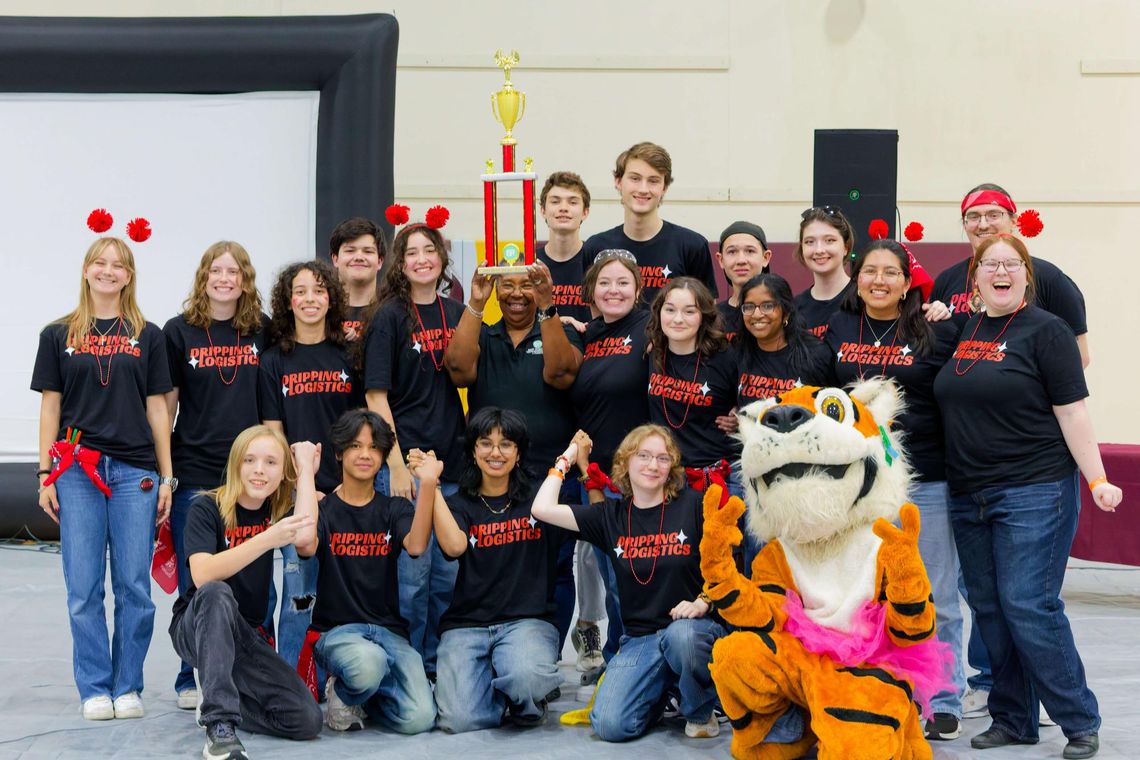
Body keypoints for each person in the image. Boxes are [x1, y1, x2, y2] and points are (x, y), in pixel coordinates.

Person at [933, 235, 1122, 760]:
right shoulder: (963, 328)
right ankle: (1013, 719)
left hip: (1035, 489)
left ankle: (1079, 719)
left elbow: (1073, 411)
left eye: (1011, 264)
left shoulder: (1048, 330)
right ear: (975, 276)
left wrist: (1098, 478)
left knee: (1028, 605)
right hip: (970, 494)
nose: (1000, 271)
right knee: (990, 609)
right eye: (990, 264)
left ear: (1025, 274)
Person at [824, 239, 965, 740]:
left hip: (925, 479)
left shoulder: (936, 328)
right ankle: (884, 682)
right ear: (855, 277)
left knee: (937, 593)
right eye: (869, 271)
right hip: (860, 488)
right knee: (867, 593)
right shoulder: (839, 328)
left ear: (908, 283)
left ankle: (944, 696)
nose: (879, 280)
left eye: (891, 273)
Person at [32, 236, 173, 721]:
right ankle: (94, 685)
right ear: (87, 270)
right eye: (100, 262)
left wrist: (167, 477)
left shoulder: (148, 335)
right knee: (83, 586)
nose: (109, 271)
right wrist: (45, 473)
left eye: (119, 265)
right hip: (75, 470)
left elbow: (158, 408)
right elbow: (51, 406)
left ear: (129, 275)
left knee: (134, 584)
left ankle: (127, 685)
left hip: (135, 470)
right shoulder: (58, 334)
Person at [532, 426, 725, 741]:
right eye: (644, 456)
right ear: (625, 462)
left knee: (683, 640)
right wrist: (568, 457)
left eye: (663, 458)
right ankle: (662, 693)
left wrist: (703, 601)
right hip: (641, 640)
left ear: (672, 466)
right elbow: (541, 509)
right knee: (610, 725)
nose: (653, 466)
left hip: (692, 630)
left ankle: (701, 711)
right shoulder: (610, 516)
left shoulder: (694, 504)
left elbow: (727, 565)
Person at [444, 263, 583, 648]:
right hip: (493, 478)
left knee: (554, 569)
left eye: (527, 284)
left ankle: (546, 659)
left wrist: (548, 305)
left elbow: (560, 374)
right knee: (492, 565)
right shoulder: (483, 336)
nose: (517, 293)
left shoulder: (561, 328)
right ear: (495, 290)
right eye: (507, 285)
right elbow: (457, 371)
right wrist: (474, 302)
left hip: (552, 476)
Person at [170, 427, 323, 759]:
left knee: (307, 719)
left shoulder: (276, 508)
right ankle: (219, 726)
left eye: (271, 462)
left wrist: (307, 471)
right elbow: (203, 573)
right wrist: (268, 538)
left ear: (283, 471)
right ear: (236, 464)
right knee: (216, 592)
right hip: (197, 626)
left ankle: (217, 694)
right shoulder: (206, 507)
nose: (259, 470)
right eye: (250, 460)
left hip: (245, 634)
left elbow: (307, 540)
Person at [163, 240, 268, 709]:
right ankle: (191, 675)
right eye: (216, 271)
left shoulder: (261, 332)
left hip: (250, 476)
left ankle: (242, 664)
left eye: (234, 271)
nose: (225, 279)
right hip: (196, 472)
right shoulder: (178, 332)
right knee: (197, 578)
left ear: (245, 280)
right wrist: (165, 474)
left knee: (249, 574)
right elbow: (165, 409)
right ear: (203, 278)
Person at [364, 219, 466, 680]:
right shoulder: (388, 316)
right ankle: (408, 668)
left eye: (430, 250)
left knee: (447, 574)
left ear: (443, 259)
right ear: (400, 265)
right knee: (411, 576)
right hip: (406, 463)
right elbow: (376, 397)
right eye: (412, 252)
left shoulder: (456, 310)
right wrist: (397, 464)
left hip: (453, 462)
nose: (422, 259)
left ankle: (436, 666)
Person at [294, 410, 438, 734]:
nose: (365, 455)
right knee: (368, 664)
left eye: (374, 448)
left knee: (420, 718)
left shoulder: (394, 508)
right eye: (356, 446)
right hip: (337, 632)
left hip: (388, 632)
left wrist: (427, 483)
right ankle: (344, 690)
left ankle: (365, 697)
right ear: (339, 452)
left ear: (384, 456)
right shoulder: (324, 510)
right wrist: (305, 472)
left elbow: (416, 545)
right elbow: (304, 546)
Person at [431, 408, 570, 733]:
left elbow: (594, 519)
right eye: (486, 443)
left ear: (519, 453)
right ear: (472, 451)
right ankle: (501, 688)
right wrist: (432, 486)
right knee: (459, 720)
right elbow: (453, 548)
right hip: (467, 626)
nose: (495, 452)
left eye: (506, 444)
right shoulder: (457, 503)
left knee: (527, 679)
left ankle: (523, 693)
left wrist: (574, 462)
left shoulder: (540, 499)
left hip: (527, 622)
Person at [259, 260, 362, 670]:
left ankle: (339, 676)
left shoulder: (349, 354)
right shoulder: (273, 361)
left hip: (345, 492)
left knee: (344, 590)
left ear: (331, 298)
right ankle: (288, 677)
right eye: (300, 291)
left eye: (319, 290)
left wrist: (344, 488)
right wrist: (304, 486)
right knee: (298, 590)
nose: (309, 299)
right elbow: (273, 433)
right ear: (288, 301)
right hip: (297, 494)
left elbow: (360, 430)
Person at [568, 249, 651, 668]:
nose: (613, 290)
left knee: (630, 579)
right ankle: (618, 658)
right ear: (591, 291)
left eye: (623, 282)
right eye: (605, 283)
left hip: (639, 478)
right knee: (608, 574)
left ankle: (632, 662)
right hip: (595, 476)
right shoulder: (588, 335)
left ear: (638, 290)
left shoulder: (650, 328)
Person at [928, 183, 1089, 367]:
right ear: (965, 225)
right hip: (958, 390)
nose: (982, 224)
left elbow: (1079, 357)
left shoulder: (1049, 277)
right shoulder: (946, 279)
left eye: (993, 215)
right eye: (973, 216)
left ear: (1014, 221)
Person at [582, 142, 716, 305]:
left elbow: (707, 314)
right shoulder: (596, 247)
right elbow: (592, 315)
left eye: (653, 181)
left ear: (664, 187)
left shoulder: (692, 246)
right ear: (618, 181)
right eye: (635, 178)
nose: (643, 189)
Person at [646, 277, 740, 497]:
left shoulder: (725, 357)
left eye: (689, 311)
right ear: (659, 313)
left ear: (703, 317)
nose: (678, 319)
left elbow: (753, 400)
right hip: (666, 478)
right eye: (670, 310)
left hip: (717, 478)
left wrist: (741, 415)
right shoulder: (652, 352)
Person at [537, 171, 593, 324]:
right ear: (543, 210)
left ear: (585, 212)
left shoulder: (597, 262)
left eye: (572, 202)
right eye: (555, 202)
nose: (563, 208)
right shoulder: (530, 263)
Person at [793, 206, 856, 336]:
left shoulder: (864, 298)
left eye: (829, 241)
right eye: (810, 242)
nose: (819, 250)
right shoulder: (794, 308)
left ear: (846, 247)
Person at [328, 217, 385, 341]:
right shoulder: (322, 311)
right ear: (335, 259)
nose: (359, 257)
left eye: (368, 251)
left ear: (380, 261)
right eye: (350, 250)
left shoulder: (392, 311)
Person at [714, 221, 772, 341]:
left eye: (750, 251)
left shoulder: (781, 311)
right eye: (732, 252)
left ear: (765, 257)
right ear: (721, 260)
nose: (741, 260)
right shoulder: (713, 318)